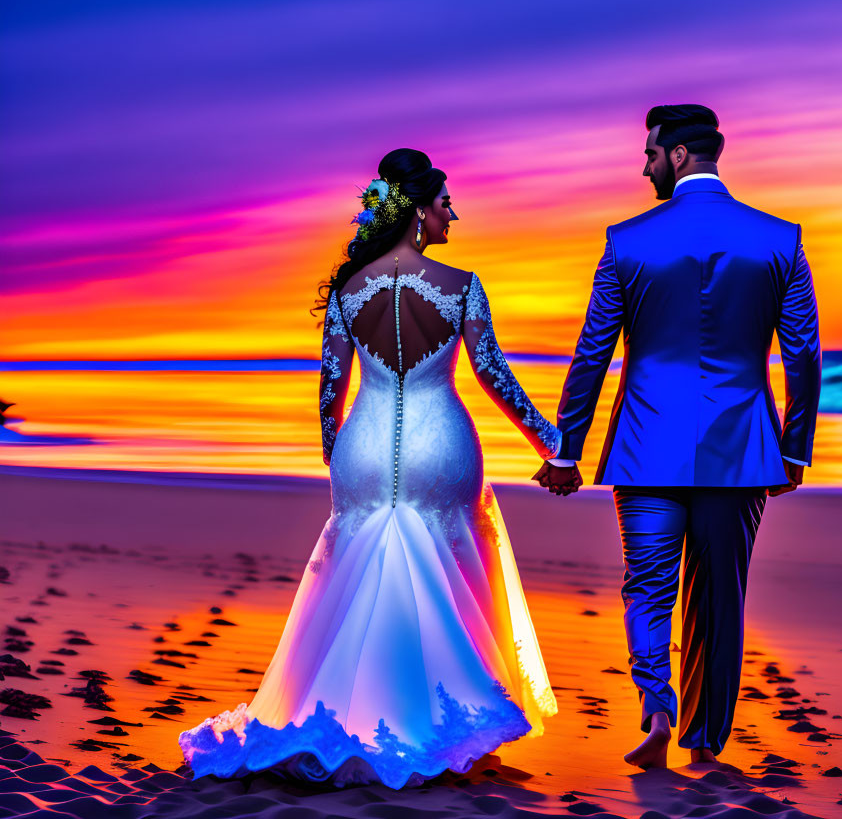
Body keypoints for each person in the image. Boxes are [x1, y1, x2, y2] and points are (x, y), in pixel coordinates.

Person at [179, 149, 560, 787]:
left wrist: (336, 448)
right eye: (444, 203)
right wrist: (555, 445)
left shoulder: (348, 289)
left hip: (364, 442)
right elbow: (493, 375)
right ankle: (448, 724)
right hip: (441, 443)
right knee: (451, 571)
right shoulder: (461, 285)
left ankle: (349, 710)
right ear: (416, 210)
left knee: (358, 580)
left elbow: (331, 386)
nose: (453, 214)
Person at [537, 104, 822, 769]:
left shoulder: (626, 240)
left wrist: (567, 447)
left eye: (650, 153)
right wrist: (794, 448)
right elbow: (802, 353)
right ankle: (703, 738)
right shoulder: (778, 238)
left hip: (644, 444)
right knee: (719, 594)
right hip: (741, 446)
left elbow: (591, 354)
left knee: (647, 584)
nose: (644, 165)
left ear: (682, 154)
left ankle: (655, 703)